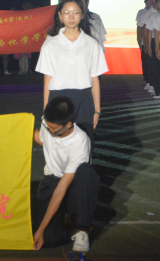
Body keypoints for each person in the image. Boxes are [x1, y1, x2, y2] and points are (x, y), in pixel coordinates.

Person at [32, 95, 99, 253]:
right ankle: (61, 218)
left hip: (72, 187)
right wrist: (23, 126)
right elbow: (43, 140)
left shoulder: (80, 142)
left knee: (86, 173)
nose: (49, 130)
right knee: (50, 240)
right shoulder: (48, 123)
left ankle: (82, 230)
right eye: (47, 126)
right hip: (51, 180)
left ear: (68, 124)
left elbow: (61, 188)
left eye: (53, 128)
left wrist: (41, 229)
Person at [36, 0, 107, 143]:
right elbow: (47, 79)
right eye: (66, 13)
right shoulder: (50, 44)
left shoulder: (92, 44)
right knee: (59, 143)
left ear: (82, 15)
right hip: (57, 98)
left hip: (84, 99)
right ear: (60, 16)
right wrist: (46, 111)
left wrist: (97, 110)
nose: (71, 17)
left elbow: (95, 79)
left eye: (76, 12)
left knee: (85, 143)